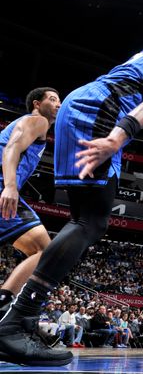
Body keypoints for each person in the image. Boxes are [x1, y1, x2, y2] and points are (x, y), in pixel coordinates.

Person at [0, 10, 143, 366]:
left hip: (84, 105)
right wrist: (117, 137)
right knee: (91, 222)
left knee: (83, 221)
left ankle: (17, 318)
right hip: (100, 113)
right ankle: (17, 322)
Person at [0, 88, 61, 311]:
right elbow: (12, 147)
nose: (58, 104)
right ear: (37, 104)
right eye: (52, 99)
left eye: (60, 100)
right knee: (46, 250)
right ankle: (6, 307)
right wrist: (9, 186)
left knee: (40, 251)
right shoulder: (38, 121)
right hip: (1, 186)